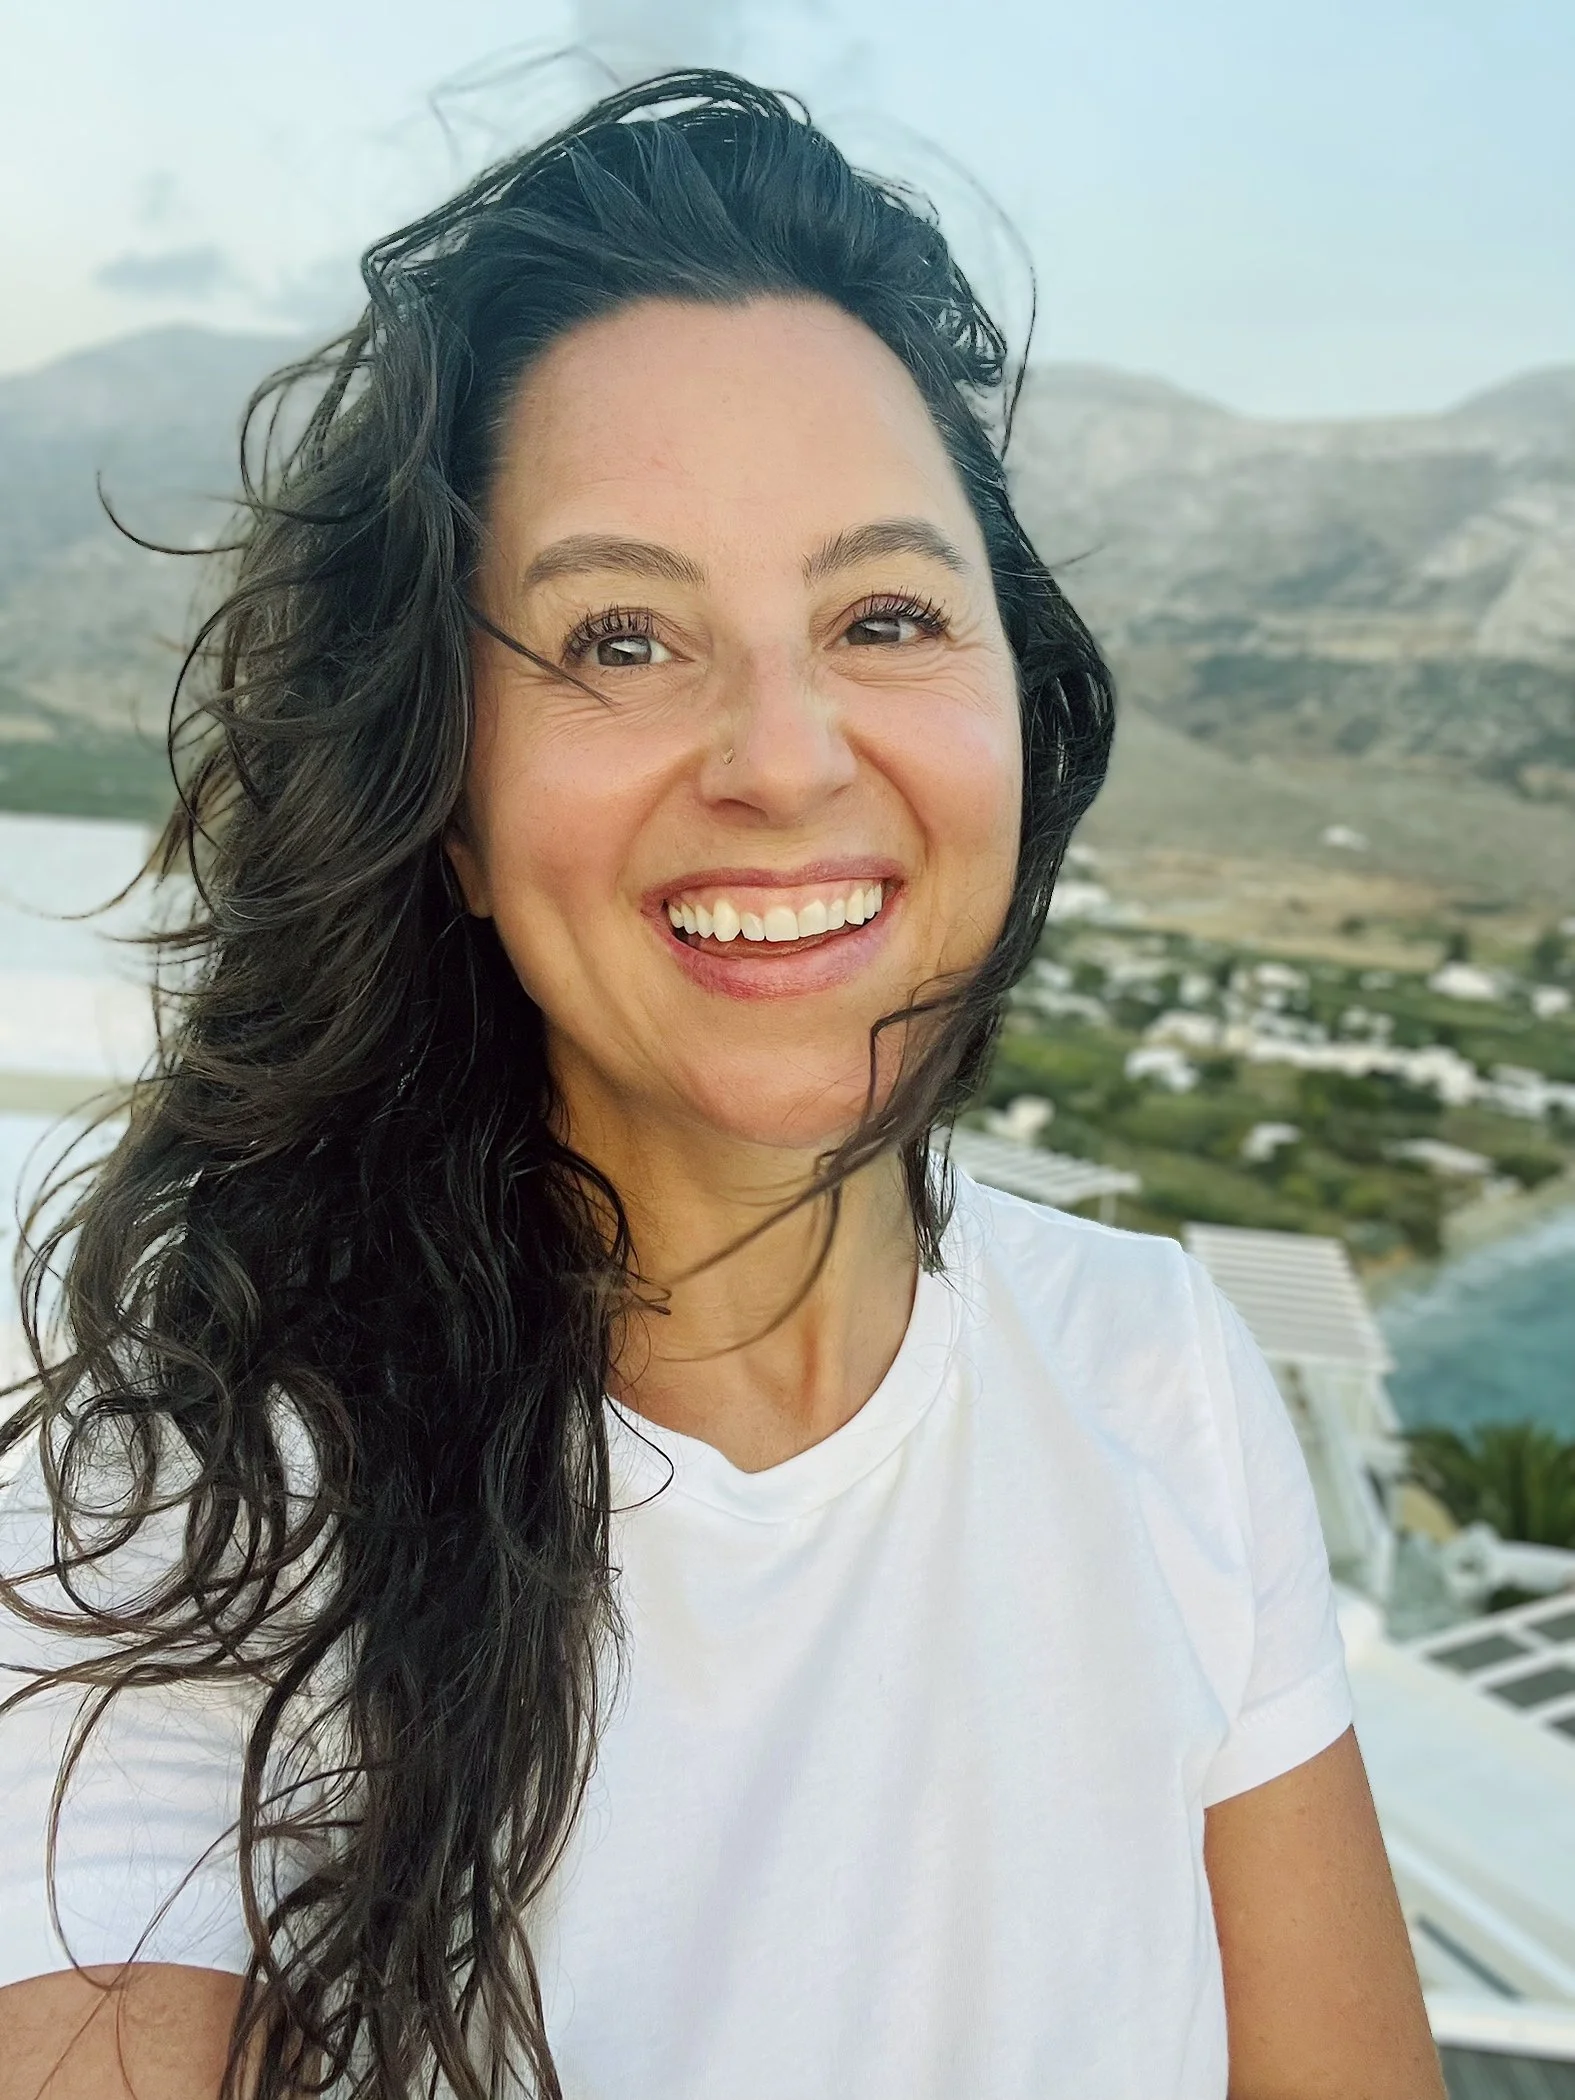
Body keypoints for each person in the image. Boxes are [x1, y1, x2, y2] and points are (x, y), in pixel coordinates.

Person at [0, 71, 1443, 2100]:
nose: (783, 756)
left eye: (883, 616)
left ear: (1017, 712)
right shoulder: (186, 1526)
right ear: (445, 803)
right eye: (618, 638)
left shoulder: (1155, 1377)